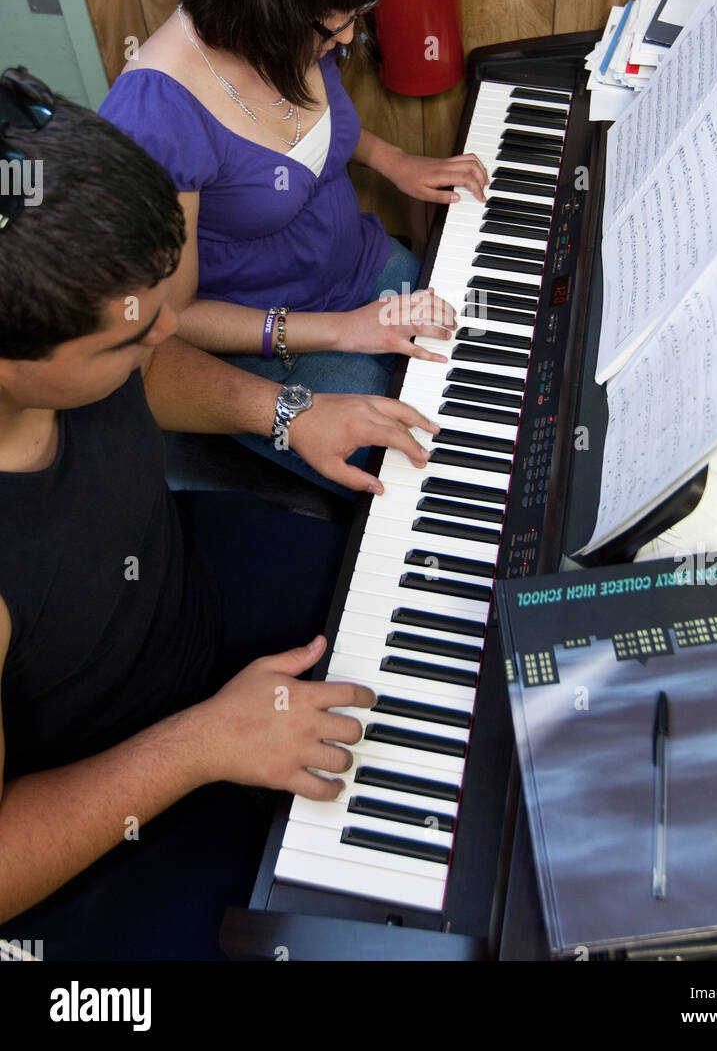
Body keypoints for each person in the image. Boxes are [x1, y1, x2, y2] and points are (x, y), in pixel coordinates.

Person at [0, 69, 441, 959]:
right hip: (101, 804)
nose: (166, 331)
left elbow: (148, 370)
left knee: (427, 597)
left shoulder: (84, 342)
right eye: (130, 333)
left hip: (184, 597)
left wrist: (288, 412)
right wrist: (202, 745)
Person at [99, 0, 488, 490]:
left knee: (489, 350)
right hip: (270, 350)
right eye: (335, 23)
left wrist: (391, 159)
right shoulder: (156, 117)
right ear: (263, 8)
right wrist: (339, 332)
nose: (349, 37)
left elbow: (306, 140)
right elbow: (172, 317)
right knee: (433, 463)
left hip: (362, 270)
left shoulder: (299, 37)